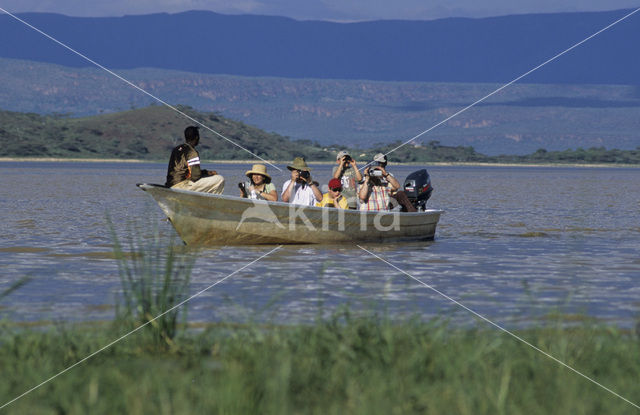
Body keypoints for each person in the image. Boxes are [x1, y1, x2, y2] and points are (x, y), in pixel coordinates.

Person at [165, 126, 225, 194]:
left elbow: (186, 171)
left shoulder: (176, 149)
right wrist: (207, 173)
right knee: (220, 179)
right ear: (197, 137)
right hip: (181, 185)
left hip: (170, 185)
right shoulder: (192, 152)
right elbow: (195, 176)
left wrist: (206, 172)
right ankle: (211, 203)